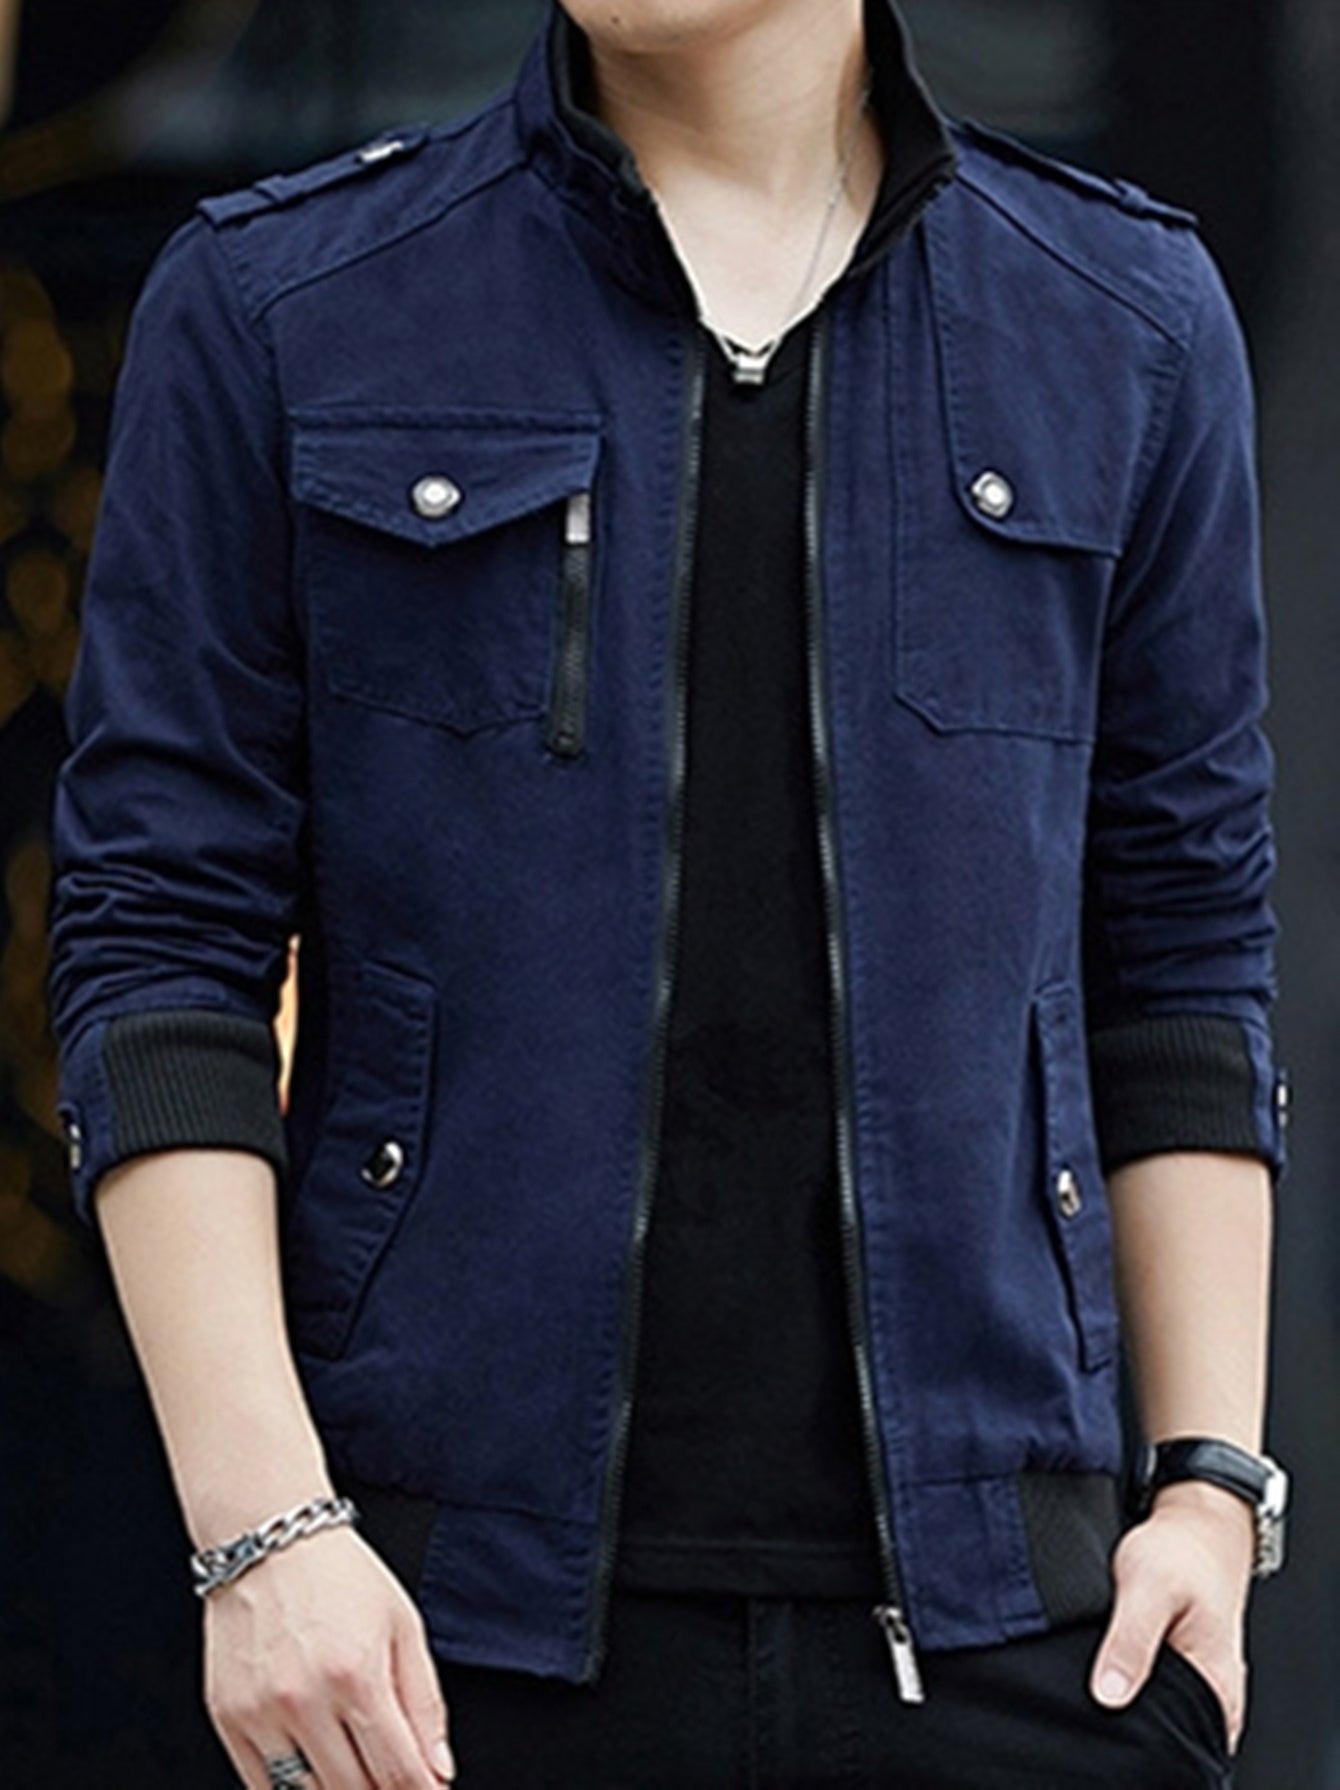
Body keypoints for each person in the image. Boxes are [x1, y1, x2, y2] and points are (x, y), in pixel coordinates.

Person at [45, 0, 1292, 1784]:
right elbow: (162, 944)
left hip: (1021, 1637)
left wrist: (1210, 1493)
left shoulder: (1122, 318)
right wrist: (265, 1536)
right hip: (432, 1636)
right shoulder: (284, 303)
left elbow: (1182, 953)